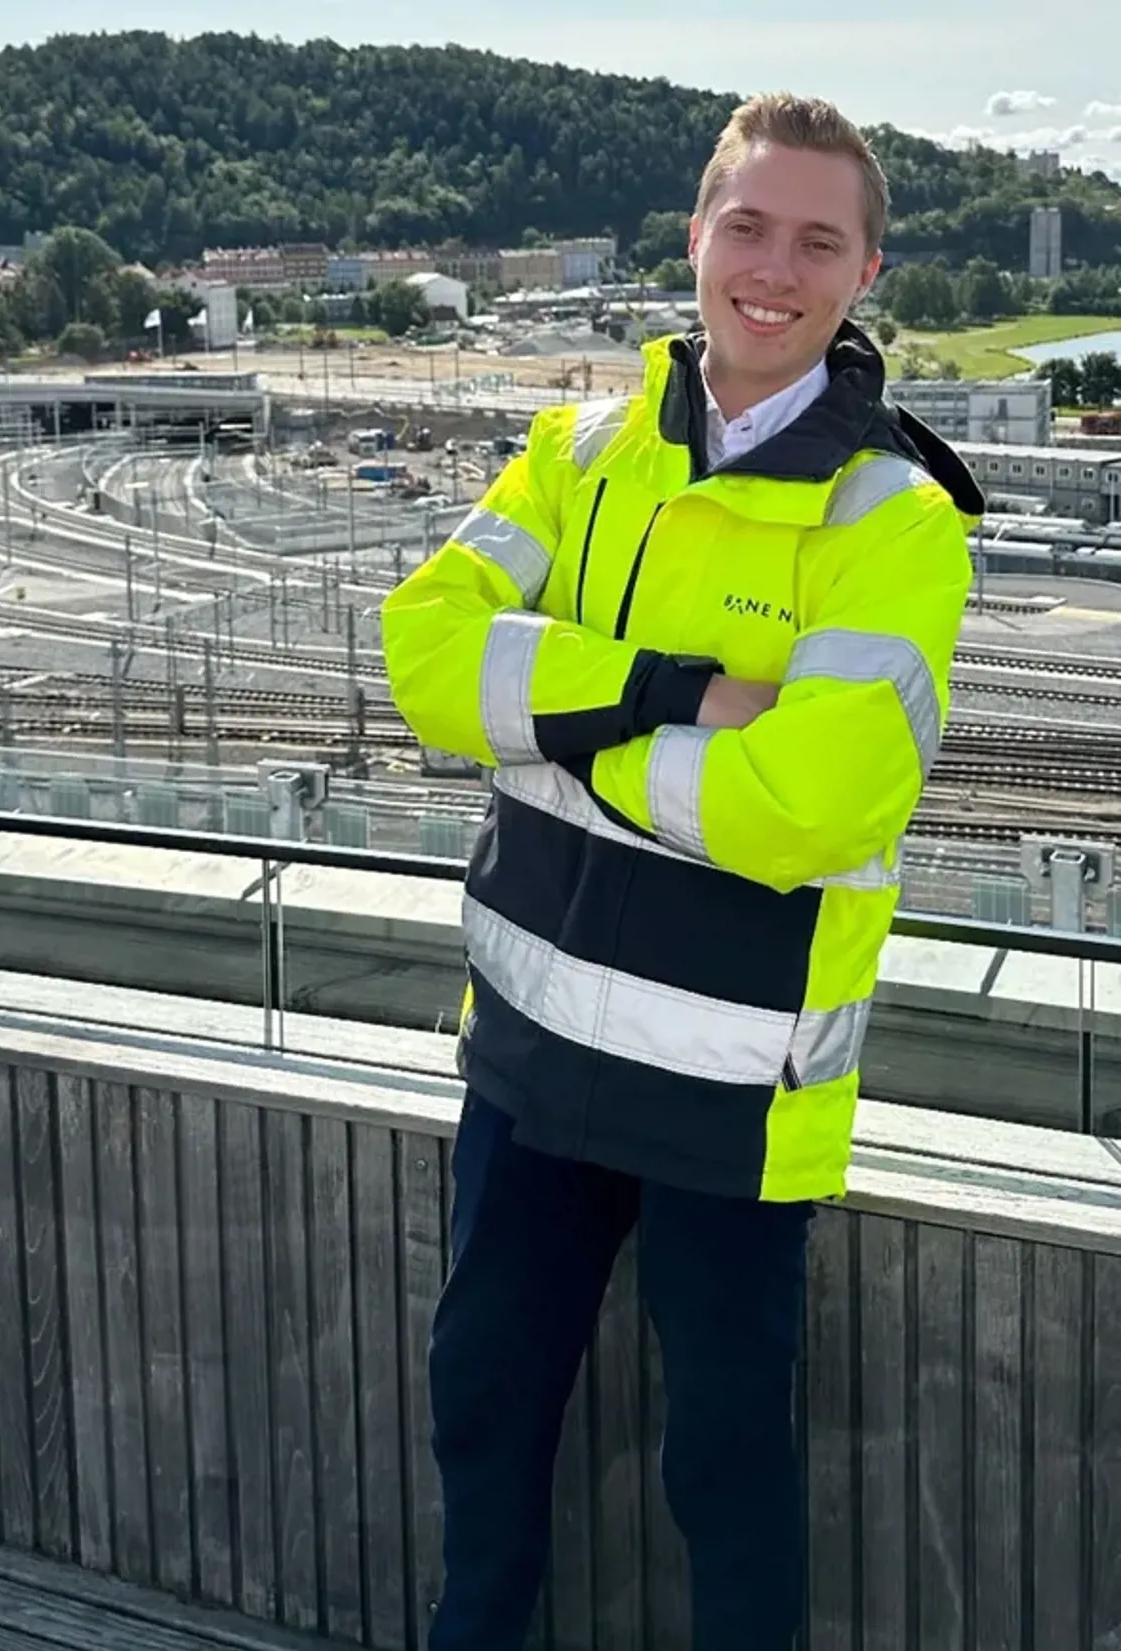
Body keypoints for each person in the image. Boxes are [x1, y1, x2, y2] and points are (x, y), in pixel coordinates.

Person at [380, 93, 984, 1651]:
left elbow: (808, 810)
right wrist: (663, 691)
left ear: (865, 274)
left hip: (735, 1094)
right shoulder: (577, 448)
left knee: (729, 1474)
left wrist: (555, 727)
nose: (773, 268)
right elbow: (426, 657)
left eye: (817, 240)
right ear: (695, 235)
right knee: (482, 1420)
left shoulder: (897, 521)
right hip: (524, 1065)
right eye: (747, 225)